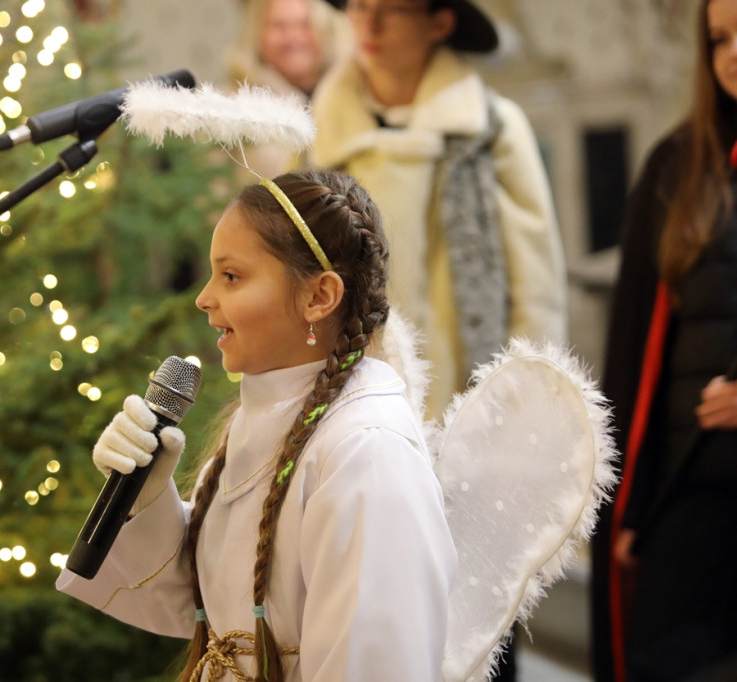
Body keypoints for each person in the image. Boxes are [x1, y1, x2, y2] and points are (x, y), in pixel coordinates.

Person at [57, 168, 457, 681]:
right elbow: (209, 601)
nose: (204, 298)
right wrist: (147, 498)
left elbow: (377, 664)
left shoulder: (367, 452)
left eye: (231, 276)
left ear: (319, 297)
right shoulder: (264, 418)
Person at [599, 1, 737, 680]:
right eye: (720, 39)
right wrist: (632, 496)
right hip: (696, 468)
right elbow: (639, 348)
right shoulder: (676, 166)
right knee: (670, 653)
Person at [310, 0, 567, 421]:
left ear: (440, 21)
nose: (369, 24)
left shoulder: (491, 128)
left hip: (467, 396)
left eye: (391, 9)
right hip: (347, 388)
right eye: (358, 6)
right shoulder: (319, 134)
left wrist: (524, 395)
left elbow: (535, 288)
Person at [226, 0, 351, 178]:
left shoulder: (350, 99)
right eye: (279, 26)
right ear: (257, 33)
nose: (293, 37)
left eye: (305, 25)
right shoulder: (232, 107)